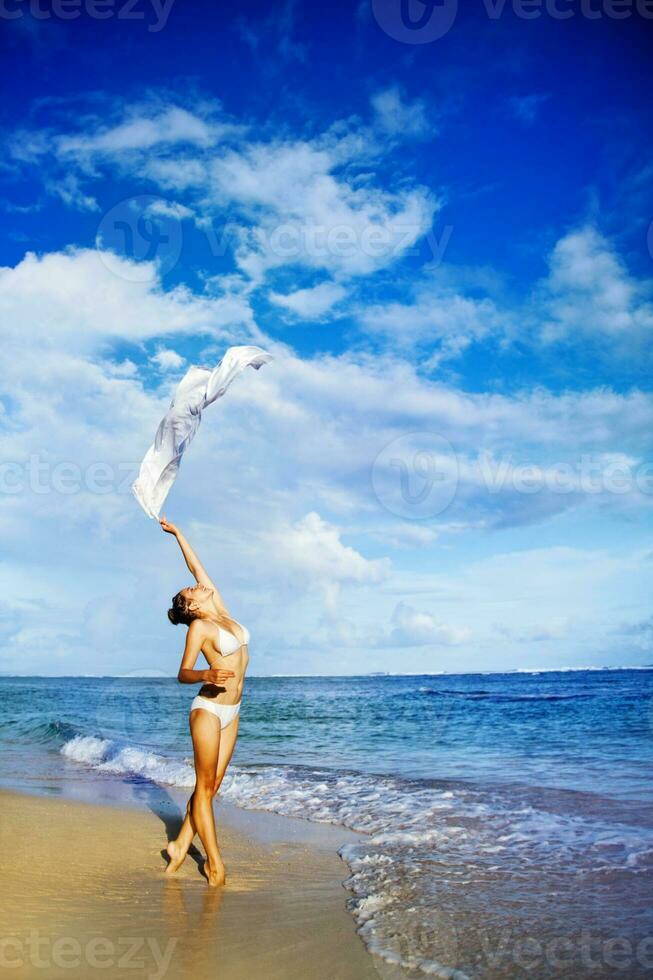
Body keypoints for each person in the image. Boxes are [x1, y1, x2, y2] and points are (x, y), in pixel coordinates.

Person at [159, 517, 250, 886]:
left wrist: (179, 534)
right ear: (192, 607)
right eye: (192, 590)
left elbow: (197, 566)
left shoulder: (222, 614)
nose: (198, 585)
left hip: (233, 711)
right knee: (204, 786)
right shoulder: (200, 627)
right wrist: (205, 675)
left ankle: (180, 845)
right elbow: (183, 672)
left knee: (209, 789)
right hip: (208, 711)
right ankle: (214, 864)